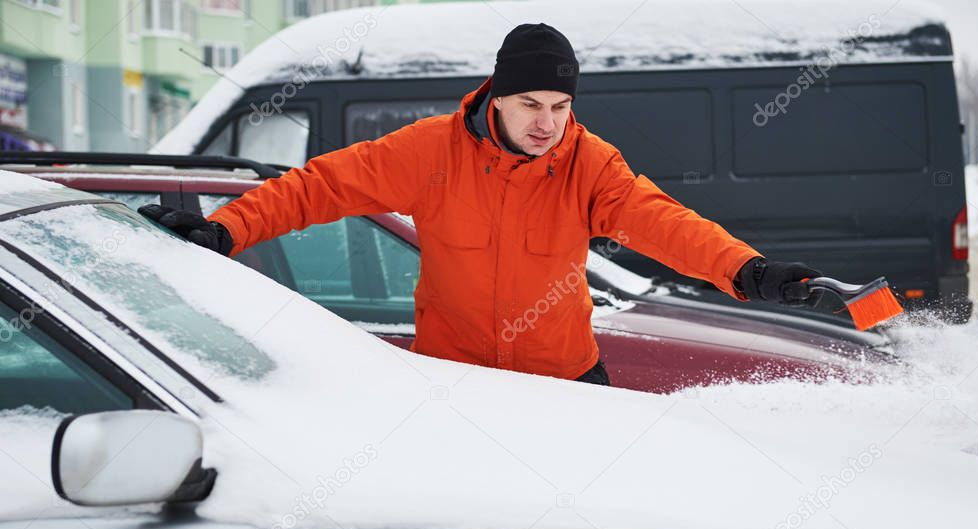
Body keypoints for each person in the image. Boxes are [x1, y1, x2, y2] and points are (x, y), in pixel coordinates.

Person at [140, 23, 821, 387]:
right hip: (455, 386)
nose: (546, 122)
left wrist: (745, 270)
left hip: (566, 383)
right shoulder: (429, 151)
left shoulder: (587, 163)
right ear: (495, 95)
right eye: (530, 104)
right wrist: (227, 229)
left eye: (560, 106)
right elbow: (319, 185)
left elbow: (663, 222)